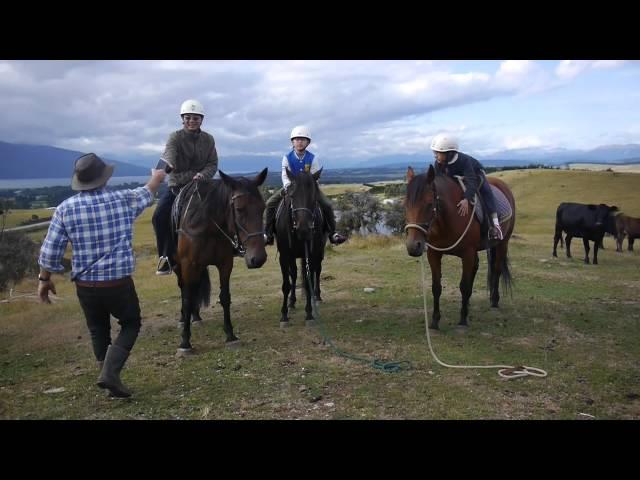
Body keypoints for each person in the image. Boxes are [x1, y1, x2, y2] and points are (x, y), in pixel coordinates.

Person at [37, 153, 166, 398]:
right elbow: (148, 191)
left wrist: (44, 280)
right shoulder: (123, 199)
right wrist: (157, 176)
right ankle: (110, 373)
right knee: (130, 323)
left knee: (98, 329)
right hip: (118, 283)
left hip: (86, 286)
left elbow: (50, 251)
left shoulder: (65, 208)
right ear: (104, 177)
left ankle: (107, 376)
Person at [152, 99, 218, 275]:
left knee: (227, 206)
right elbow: (169, 155)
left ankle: (233, 245)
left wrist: (202, 175)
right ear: (183, 119)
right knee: (159, 217)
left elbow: (212, 163)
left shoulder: (208, 139)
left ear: (201, 120)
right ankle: (165, 257)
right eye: (188, 117)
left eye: (196, 118)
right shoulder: (175, 137)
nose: (191, 121)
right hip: (178, 187)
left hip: (201, 186)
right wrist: (167, 166)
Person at [264, 126, 346, 246]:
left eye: (303, 139)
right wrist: (288, 186)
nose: (300, 142)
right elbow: (284, 174)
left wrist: (311, 189)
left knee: (327, 205)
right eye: (297, 139)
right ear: (292, 141)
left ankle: (333, 234)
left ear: (308, 142)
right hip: (292, 188)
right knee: (270, 203)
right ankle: (268, 234)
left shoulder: (313, 158)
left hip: (309, 189)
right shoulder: (287, 158)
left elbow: (315, 177)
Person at [430, 133, 503, 241]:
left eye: (438, 153)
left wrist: (466, 199)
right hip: (456, 177)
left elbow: (472, 181)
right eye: (435, 152)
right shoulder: (438, 163)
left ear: (449, 153)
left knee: (486, 191)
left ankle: (495, 224)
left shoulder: (464, 161)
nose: (435, 155)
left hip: (475, 173)